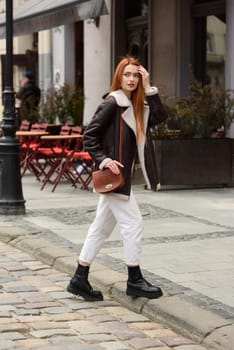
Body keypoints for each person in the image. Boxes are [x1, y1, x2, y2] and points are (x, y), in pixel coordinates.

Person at [67, 56, 168, 301]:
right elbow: (89, 136)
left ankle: (80, 278)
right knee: (134, 223)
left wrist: (150, 86)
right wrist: (103, 160)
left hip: (120, 177)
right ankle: (134, 279)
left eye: (136, 75)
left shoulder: (135, 104)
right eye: (127, 75)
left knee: (100, 228)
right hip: (114, 176)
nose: (132, 79)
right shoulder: (113, 102)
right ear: (118, 77)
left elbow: (160, 117)